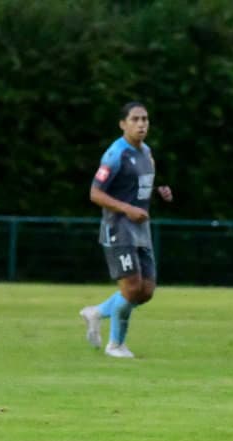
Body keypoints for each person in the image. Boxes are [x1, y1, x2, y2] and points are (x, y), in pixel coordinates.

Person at [79, 101, 173, 358]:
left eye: (145, 119)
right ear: (123, 124)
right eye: (135, 119)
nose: (141, 124)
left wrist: (159, 191)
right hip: (118, 227)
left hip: (141, 228)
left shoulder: (146, 152)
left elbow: (136, 188)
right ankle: (115, 345)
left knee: (146, 291)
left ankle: (96, 312)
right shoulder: (115, 154)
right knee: (131, 288)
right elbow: (95, 193)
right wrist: (127, 209)